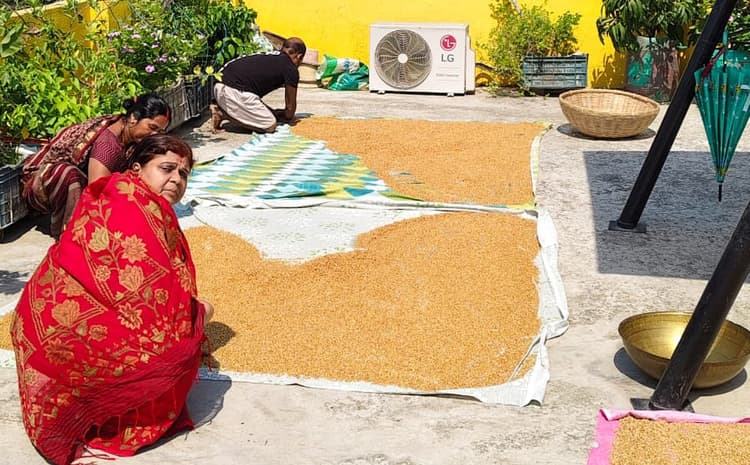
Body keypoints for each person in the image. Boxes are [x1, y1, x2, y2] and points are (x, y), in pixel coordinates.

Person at [10, 134, 213, 465]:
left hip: (40, 327)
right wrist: (194, 318)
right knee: (184, 331)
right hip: (61, 334)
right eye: (167, 169)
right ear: (137, 169)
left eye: (184, 173)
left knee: (190, 314)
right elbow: (143, 294)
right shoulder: (128, 204)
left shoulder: (128, 198)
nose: (177, 179)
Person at [21, 94, 172, 238]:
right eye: (152, 127)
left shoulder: (131, 138)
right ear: (133, 118)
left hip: (83, 180)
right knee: (70, 175)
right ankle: (72, 234)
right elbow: (97, 192)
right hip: (41, 184)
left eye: (159, 131)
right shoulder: (107, 144)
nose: (154, 135)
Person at [210, 37, 306, 134]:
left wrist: (274, 112)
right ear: (299, 56)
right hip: (232, 90)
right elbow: (290, 111)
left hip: (219, 86)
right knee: (269, 125)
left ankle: (225, 108)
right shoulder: (290, 68)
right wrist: (285, 115)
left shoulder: (271, 55)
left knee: (270, 113)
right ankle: (222, 114)